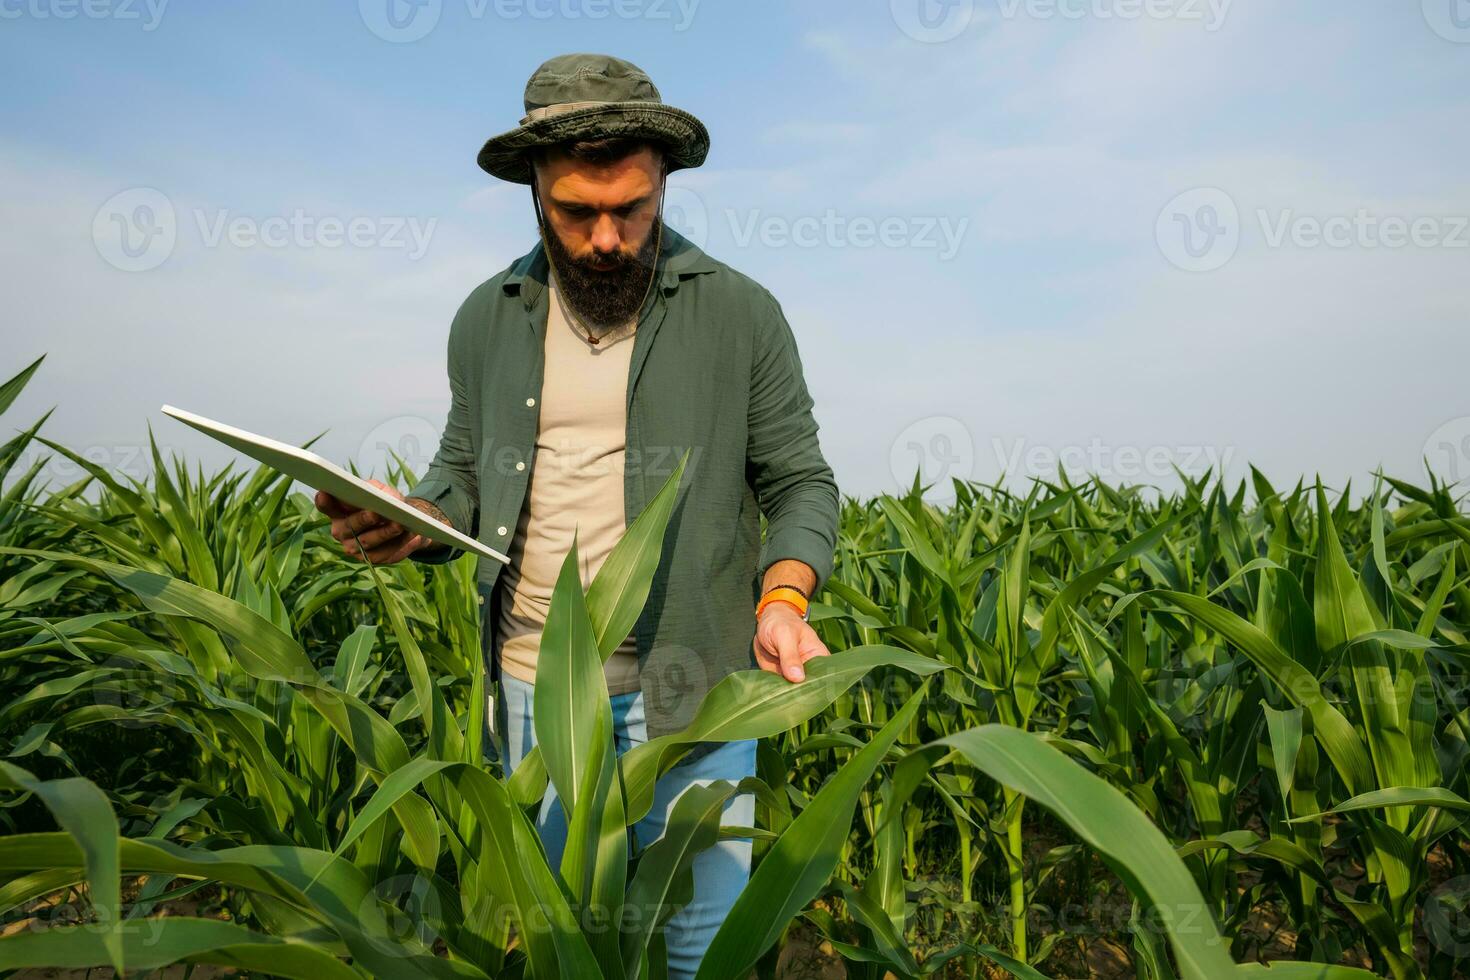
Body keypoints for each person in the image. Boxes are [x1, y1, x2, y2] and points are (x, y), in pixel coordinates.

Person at [313, 52, 840, 977]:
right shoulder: (487, 318)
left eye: (631, 209)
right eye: (577, 212)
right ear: (534, 195)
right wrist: (413, 518)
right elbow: (464, 476)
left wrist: (783, 601)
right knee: (571, 952)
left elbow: (802, 482)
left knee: (696, 953)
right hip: (535, 691)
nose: (607, 238)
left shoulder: (742, 316)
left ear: (664, 187)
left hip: (694, 691)